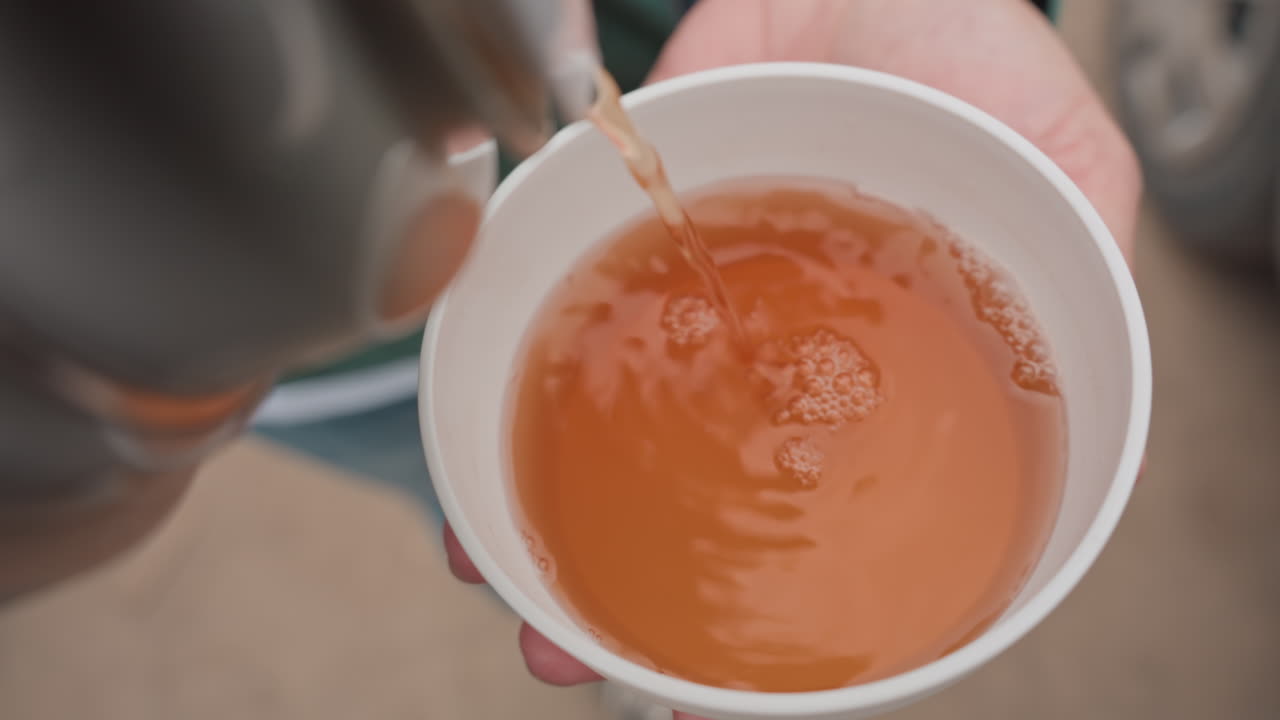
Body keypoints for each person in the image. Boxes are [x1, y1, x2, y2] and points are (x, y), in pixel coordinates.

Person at [443, 1, 1141, 718]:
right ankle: (634, 673)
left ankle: (644, 679)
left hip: (697, 45)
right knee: (475, 527)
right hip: (363, 326)